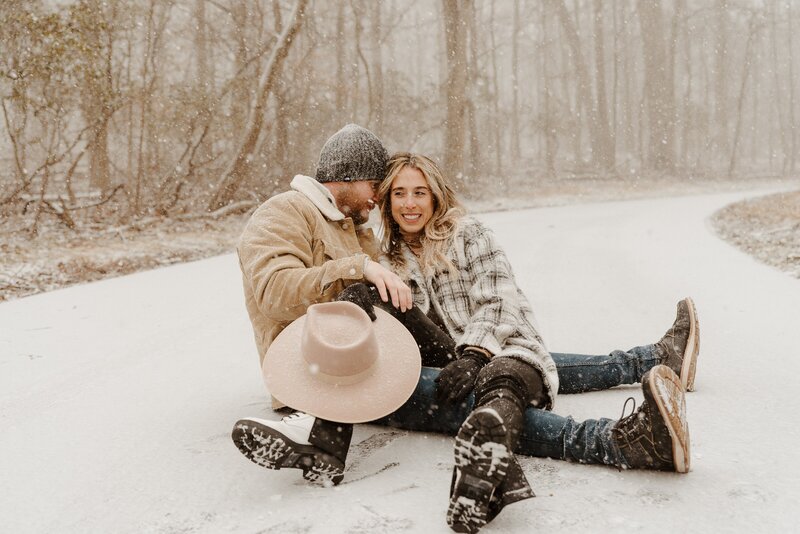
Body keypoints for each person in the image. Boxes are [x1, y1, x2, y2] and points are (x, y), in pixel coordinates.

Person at [231, 127, 697, 532]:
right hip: (323, 371)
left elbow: (440, 308)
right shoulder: (285, 212)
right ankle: (614, 441)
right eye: (384, 187)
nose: (383, 200)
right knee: (490, 391)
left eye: (411, 192)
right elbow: (274, 290)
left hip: (374, 357)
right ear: (349, 175)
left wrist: (469, 350)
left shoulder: (361, 230)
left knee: (512, 363)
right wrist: (362, 274)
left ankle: (645, 361)